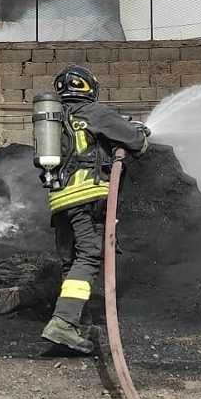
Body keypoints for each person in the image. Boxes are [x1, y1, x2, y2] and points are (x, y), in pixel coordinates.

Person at [38, 64, 150, 354]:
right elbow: (135, 141)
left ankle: (76, 323)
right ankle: (63, 321)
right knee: (89, 255)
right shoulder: (94, 112)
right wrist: (140, 132)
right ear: (89, 88)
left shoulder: (55, 119)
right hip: (87, 195)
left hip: (59, 200)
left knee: (71, 260)